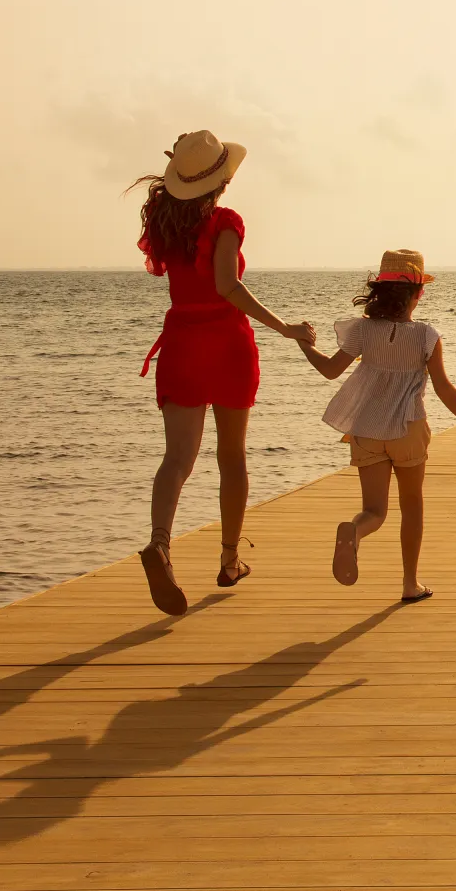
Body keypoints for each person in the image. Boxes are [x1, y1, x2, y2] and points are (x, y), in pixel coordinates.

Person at [134, 130, 317, 616]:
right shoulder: (225, 221)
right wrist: (284, 328)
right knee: (231, 457)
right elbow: (226, 284)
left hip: (181, 342)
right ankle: (230, 559)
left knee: (177, 459)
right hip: (226, 344)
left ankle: (160, 543)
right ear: (221, 180)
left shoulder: (167, 224)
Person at [296, 250, 456, 604]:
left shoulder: (361, 330)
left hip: (367, 429)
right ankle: (409, 583)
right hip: (408, 429)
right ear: (419, 294)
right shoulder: (426, 336)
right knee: (411, 508)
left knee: (375, 511)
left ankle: (355, 531)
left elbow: (329, 369)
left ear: (379, 292)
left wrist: (304, 344)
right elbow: (445, 388)